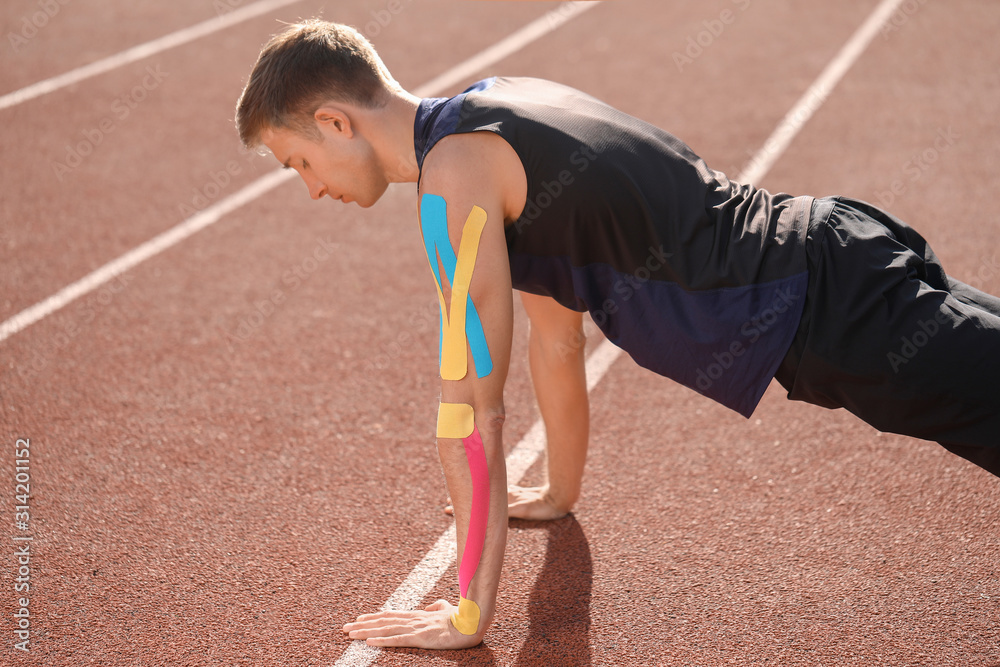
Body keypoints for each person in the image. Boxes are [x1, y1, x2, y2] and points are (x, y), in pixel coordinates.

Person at [234, 20, 1000, 650]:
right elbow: (555, 342)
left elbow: (470, 407)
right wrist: (560, 491)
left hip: (826, 311)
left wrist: (467, 613)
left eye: (300, 160)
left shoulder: (451, 182)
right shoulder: (495, 104)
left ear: (336, 121)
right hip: (833, 250)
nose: (312, 188)